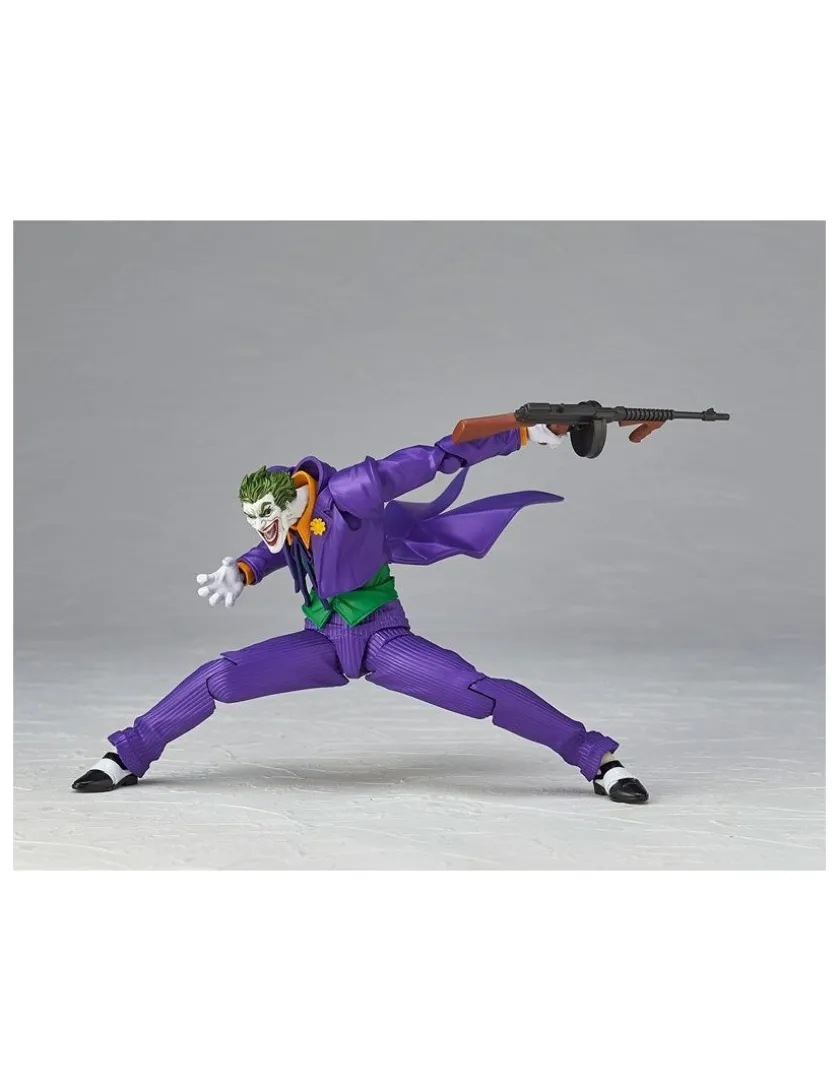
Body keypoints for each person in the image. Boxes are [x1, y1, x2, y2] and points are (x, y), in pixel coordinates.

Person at [72, 424, 648, 804]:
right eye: (252, 519)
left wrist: (519, 435)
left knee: (478, 692)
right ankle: (128, 753)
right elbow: (278, 546)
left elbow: (436, 457)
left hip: (381, 639)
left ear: (292, 495)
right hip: (322, 641)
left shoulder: (352, 491)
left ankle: (595, 757)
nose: (260, 526)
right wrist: (243, 569)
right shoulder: (286, 520)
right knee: (220, 675)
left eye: (265, 514)